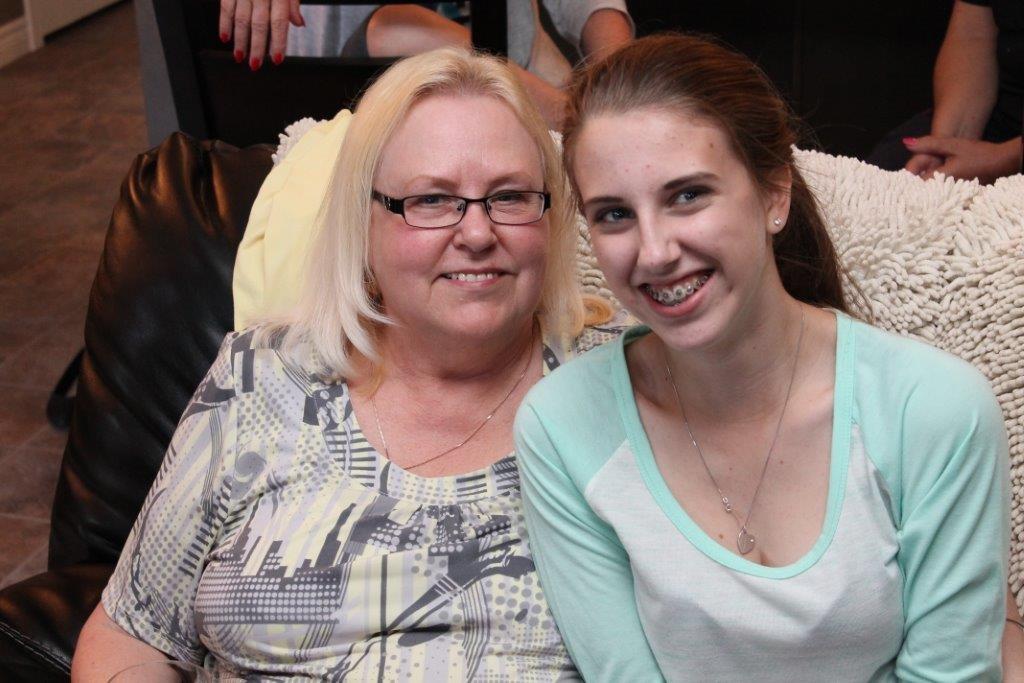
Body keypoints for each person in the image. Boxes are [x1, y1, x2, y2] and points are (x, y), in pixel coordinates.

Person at [70, 46, 621, 680]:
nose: (476, 233)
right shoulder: (259, 375)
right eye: (432, 199)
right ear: (363, 221)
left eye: (510, 196)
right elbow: (130, 635)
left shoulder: (622, 392)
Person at [514, 34, 1014, 681]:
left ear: (774, 192)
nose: (654, 251)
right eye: (613, 214)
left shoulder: (935, 409)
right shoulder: (561, 424)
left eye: (687, 195)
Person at [218, 0, 634, 127]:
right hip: (355, 102)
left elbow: (591, 6)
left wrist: (623, 81)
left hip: (526, 94)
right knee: (395, 27)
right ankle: (572, 118)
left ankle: (579, 118)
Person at [869, 0, 1022, 182]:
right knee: (880, 175)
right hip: (1000, 113)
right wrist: (943, 146)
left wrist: (1006, 159)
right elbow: (973, 34)